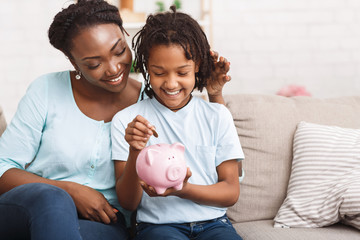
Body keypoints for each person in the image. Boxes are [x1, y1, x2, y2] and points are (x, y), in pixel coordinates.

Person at [0, 0, 231, 239]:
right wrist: (70, 191)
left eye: (119, 51)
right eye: (94, 64)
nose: (113, 68)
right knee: (53, 200)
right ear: (72, 60)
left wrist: (215, 94)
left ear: (125, 33)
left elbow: (206, 148)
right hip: (31, 209)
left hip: (104, 221)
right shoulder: (45, 90)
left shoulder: (152, 102)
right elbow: (2, 168)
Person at [111, 6, 244, 240]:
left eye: (182, 72)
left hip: (214, 224)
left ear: (198, 67)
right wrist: (135, 150)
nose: (171, 84)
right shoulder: (128, 122)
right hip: (158, 226)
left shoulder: (217, 115)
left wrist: (183, 190)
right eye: (159, 72)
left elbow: (231, 192)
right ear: (146, 69)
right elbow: (128, 202)